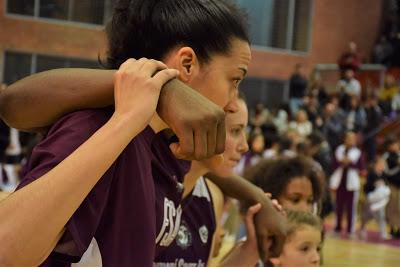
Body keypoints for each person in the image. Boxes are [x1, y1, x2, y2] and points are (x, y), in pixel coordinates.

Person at [0, 1, 286, 266]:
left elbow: (211, 169)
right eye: (234, 80)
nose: (234, 102)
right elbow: (6, 247)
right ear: (187, 64)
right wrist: (144, 103)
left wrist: (257, 197)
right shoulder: (97, 127)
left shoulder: (165, 146)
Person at [330, 131, 365, 236]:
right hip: (340, 182)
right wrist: (342, 161)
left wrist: (350, 162)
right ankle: (337, 227)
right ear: (345, 139)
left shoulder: (358, 152)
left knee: (351, 208)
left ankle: (350, 230)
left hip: (352, 184)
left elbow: (361, 168)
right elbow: (334, 164)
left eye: (352, 138)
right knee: (338, 206)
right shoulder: (339, 150)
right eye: (348, 138)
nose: (350, 140)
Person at [360, 157, 391, 240]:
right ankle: (362, 229)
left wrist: (383, 185)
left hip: (380, 199)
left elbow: (386, 185)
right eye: (380, 164)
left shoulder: (383, 174)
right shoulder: (371, 174)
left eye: (383, 165)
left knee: (381, 215)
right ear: (376, 165)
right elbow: (366, 187)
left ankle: (383, 233)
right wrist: (374, 184)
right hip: (371, 197)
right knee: (367, 215)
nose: (382, 166)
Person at [382, 136, 400, 239]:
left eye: (397, 144)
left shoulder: (399, 155)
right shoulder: (387, 157)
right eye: (394, 144)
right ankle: (392, 228)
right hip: (392, 185)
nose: (397, 146)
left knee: (399, 207)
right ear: (389, 146)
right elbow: (387, 172)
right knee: (392, 207)